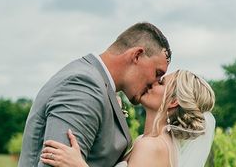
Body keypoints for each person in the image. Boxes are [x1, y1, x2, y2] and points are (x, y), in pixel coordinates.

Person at [17, 22, 171, 167]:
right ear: (136, 55)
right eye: (157, 73)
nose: (154, 83)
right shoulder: (83, 85)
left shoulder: (99, 86)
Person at [40, 69, 216, 167]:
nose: (153, 82)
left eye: (161, 83)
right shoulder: (148, 141)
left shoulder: (152, 146)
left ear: (173, 101)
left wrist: (78, 165)